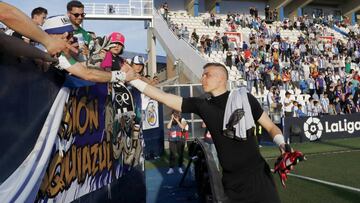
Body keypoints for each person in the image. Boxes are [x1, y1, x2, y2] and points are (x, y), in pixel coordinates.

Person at [127, 62, 286, 202]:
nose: (202, 79)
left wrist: (282, 144)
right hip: (231, 183)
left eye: (207, 75)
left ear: (221, 79)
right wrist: (133, 79)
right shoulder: (202, 105)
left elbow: (271, 127)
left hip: (260, 177)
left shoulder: (245, 99)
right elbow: (164, 97)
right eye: (202, 75)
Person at [42, 15, 134, 83]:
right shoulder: (38, 55)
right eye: (66, 35)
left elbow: (86, 72)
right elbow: (89, 74)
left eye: (71, 34)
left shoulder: (63, 57)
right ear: (50, 35)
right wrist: (123, 76)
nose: (71, 38)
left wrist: (96, 59)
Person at [0, 2, 72, 55]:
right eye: (43, 18)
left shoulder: (38, 30)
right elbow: (26, 45)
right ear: (35, 16)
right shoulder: (27, 27)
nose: (44, 20)